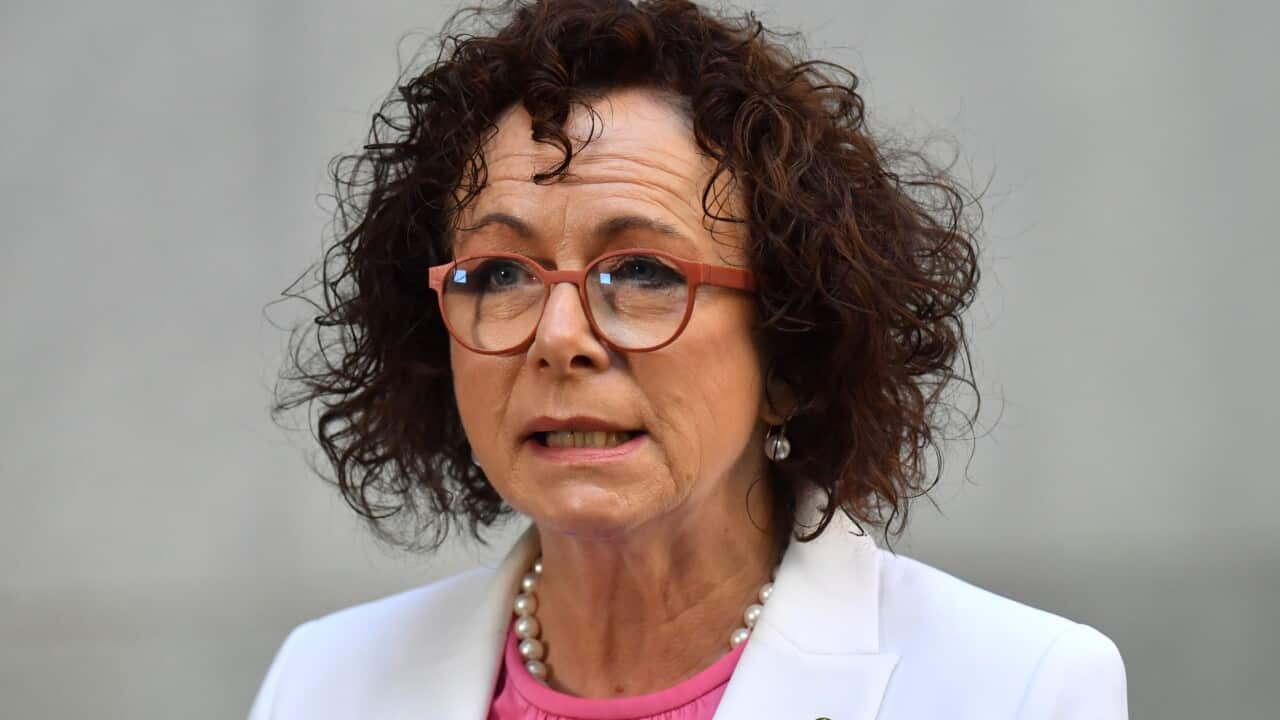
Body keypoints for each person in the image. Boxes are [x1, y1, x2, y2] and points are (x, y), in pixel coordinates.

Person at [252, 1, 1128, 718]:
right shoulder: (324, 683)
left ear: (790, 348)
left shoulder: (1019, 688)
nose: (560, 338)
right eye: (502, 273)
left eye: (641, 271)